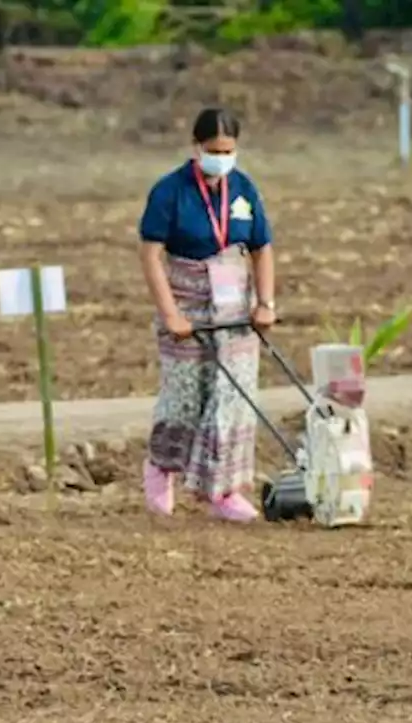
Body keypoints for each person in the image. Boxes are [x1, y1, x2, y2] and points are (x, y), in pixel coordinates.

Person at [138, 107, 276, 522]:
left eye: (228, 150)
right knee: (184, 395)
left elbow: (261, 247)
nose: (221, 157)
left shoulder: (243, 189)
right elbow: (150, 254)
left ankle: (224, 489)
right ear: (197, 147)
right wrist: (170, 314)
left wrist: (265, 302)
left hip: (233, 303)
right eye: (214, 150)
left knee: (232, 397)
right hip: (188, 296)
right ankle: (162, 467)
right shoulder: (170, 191)